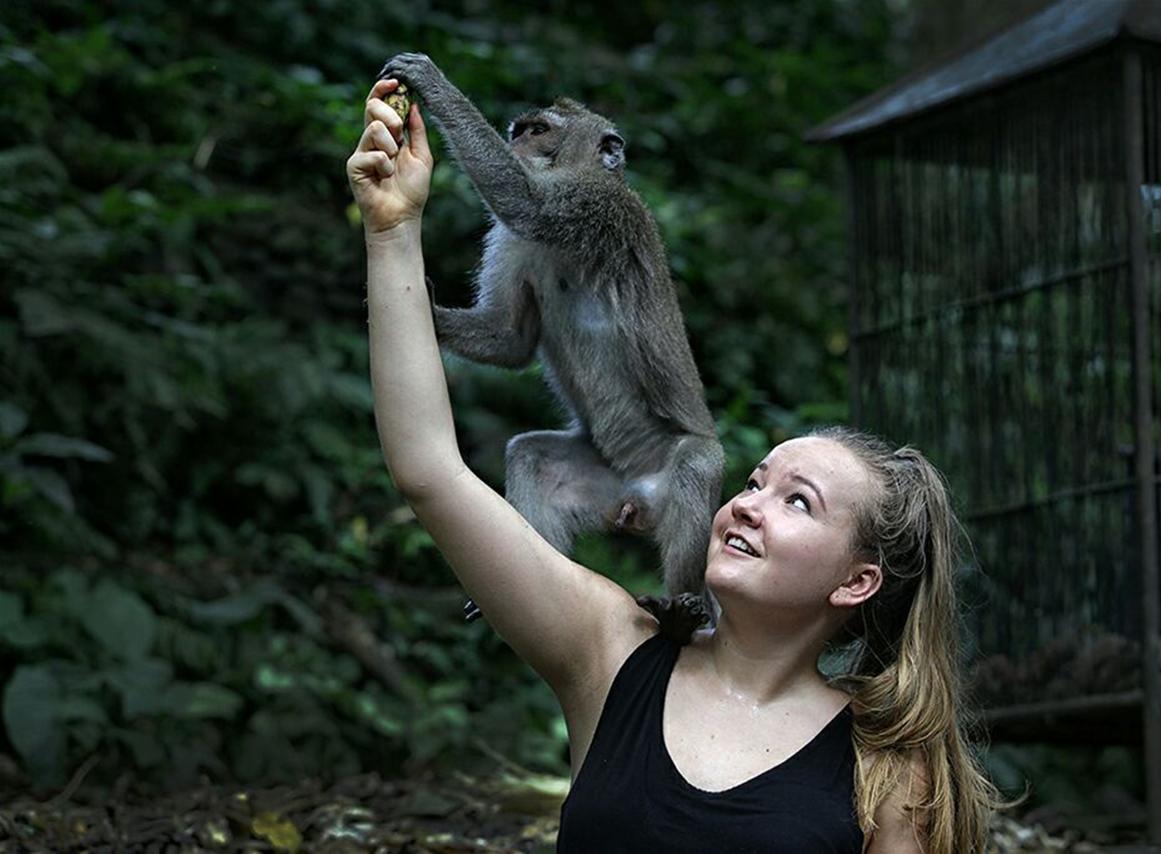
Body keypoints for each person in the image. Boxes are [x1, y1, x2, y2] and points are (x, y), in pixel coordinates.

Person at [347, 78, 1001, 853]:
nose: (751, 503)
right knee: (527, 452)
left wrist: (435, 84)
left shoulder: (885, 766)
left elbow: (522, 199)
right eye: (756, 484)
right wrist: (393, 245)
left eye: (799, 503)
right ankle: (522, 568)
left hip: (663, 450)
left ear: (857, 581)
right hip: (592, 455)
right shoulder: (612, 655)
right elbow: (442, 445)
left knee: (699, 455)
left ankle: (683, 593)